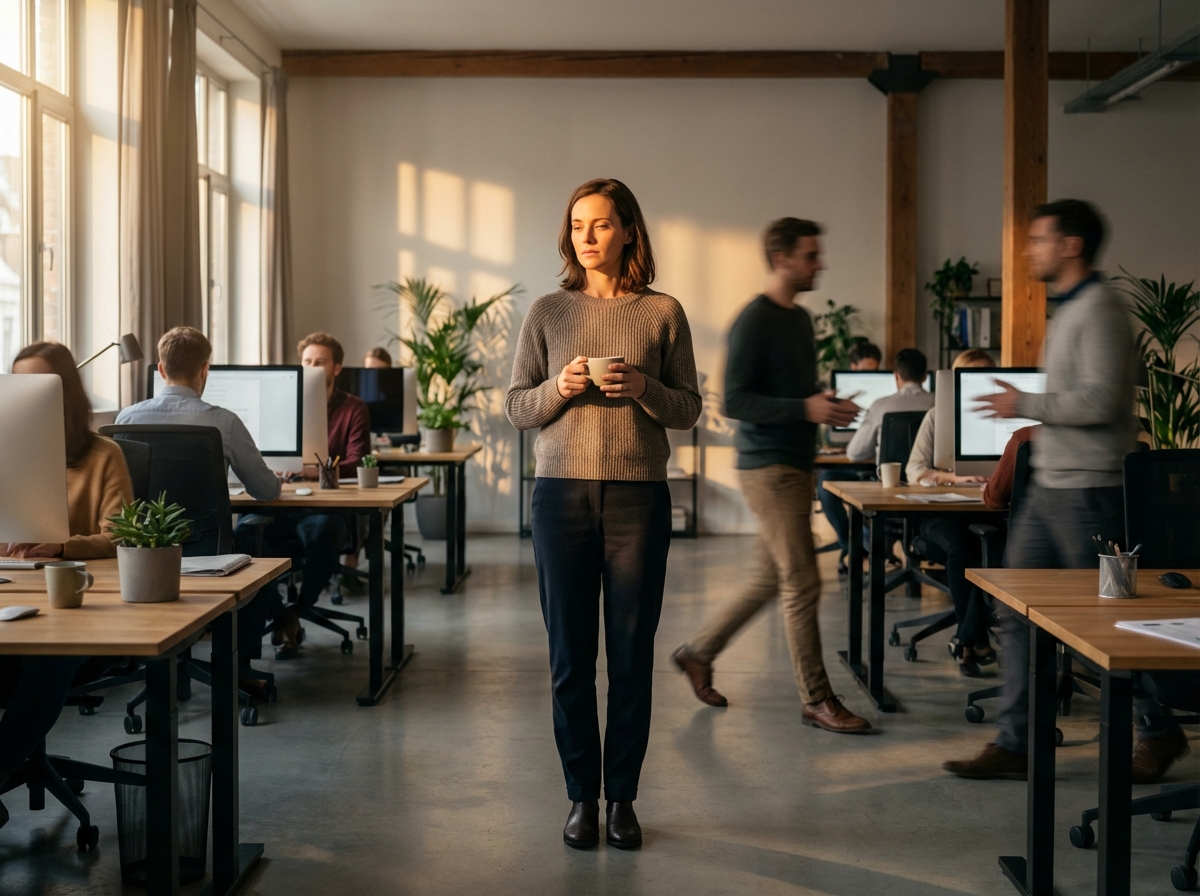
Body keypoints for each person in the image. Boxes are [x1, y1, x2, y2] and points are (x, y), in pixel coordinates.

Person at [942, 199, 1188, 781]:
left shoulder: (1100, 308)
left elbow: (1104, 400)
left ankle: (1157, 729)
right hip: (1052, 489)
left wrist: (1021, 403)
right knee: (1017, 612)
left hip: (1090, 493)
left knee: (1101, 632)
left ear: (1071, 245)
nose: (1030, 249)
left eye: (1039, 239)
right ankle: (1016, 742)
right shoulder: (1071, 308)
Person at [506, 178, 701, 850]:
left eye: (600, 224)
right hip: (559, 497)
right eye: (578, 225)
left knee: (629, 657)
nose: (587, 237)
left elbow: (688, 409)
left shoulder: (661, 312)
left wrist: (643, 387)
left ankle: (622, 800)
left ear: (627, 231)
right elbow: (516, 408)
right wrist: (558, 388)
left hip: (638, 498)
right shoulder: (548, 313)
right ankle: (579, 798)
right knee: (569, 659)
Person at [671, 217, 871, 736]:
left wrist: (823, 405)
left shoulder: (801, 321)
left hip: (796, 463)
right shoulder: (753, 321)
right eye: (810, 255)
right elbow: (735, 400)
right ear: (782, 259)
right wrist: (803, 409)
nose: (819, 263)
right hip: (768, 468)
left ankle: (698, 653)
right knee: (803, 581)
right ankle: (816, 698)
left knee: (768, 578)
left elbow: (794, 395)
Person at [0, 342, 134, 830]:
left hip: (79, 607)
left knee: (49, 657)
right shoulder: (3, 451)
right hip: (10, 597)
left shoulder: (103, 455)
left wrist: (60, 546)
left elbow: (122, 535)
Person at [116, 327, 281, 663]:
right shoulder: (224, 422)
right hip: (209, 551)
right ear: (206, 369)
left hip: (142, 556)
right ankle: (240, 667)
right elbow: (265, 491)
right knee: (263, 548)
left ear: (161, 369)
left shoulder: (125, 419)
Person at [257, 332, 373, 654]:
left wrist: (315, 470)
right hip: (282, 500)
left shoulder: (354, 408)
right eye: (307, 362)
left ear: (337, 367)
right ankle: (281, 614)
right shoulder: (282, 403)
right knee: (247, 533)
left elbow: (356, 463)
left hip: (326, 507)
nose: (311, 367)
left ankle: (301, 605)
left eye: (320, 362)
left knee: (322, 532)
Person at [904, 348, 999, 676]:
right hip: (942, 512)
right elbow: (914, 470)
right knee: (965, 546)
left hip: (990, 509)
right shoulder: (937, 416)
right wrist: (957, 478)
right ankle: (974, 636)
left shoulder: (1002, 418)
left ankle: (966, 638)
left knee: (995, 545)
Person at [816, 342, 882, 570]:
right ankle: (851, 545)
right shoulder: (838, 392)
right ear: (853, 366)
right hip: (852, 462)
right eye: (865, 371)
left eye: (875, 371)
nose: (871, 377)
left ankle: (860, 542)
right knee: (824, 481)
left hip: (877, 466)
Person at [844, 348, 934, 463]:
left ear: (896, 376)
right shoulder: (940, 404)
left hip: (890, 479)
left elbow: (855, 453)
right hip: (931, 478)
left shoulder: (880, 406)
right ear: (925, 376)